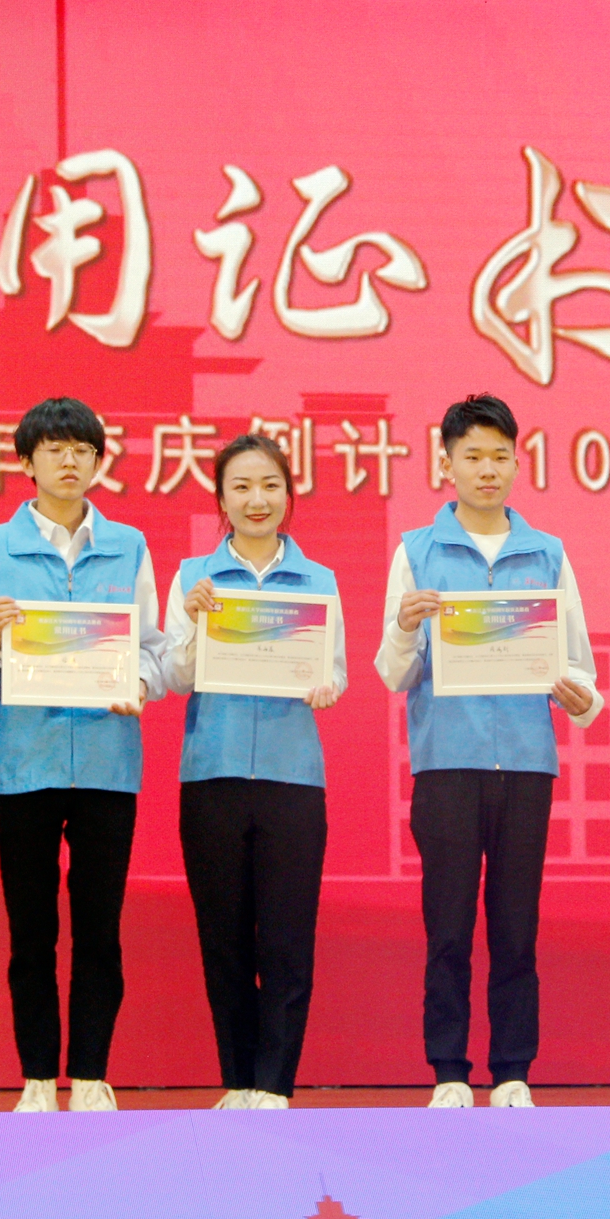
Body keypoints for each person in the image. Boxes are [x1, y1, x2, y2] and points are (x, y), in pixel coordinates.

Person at [376, 393, 603, 1108]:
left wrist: (579, 697)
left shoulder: (548, 553)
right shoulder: (417, 552)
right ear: (445, 463)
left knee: (515, 927)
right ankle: (449, 1070)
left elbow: (581, 670)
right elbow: (393, 674)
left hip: (526, 766)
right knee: (447, 927)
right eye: (471, 455)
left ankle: (511, 1071)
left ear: (516, 462)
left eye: (500, 456)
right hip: (447, 764)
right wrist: (405, 627)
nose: (487, 469)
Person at [0, 397, 168, 1113]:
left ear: (98, 460)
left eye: (83, 449)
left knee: (100, 930)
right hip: (24, 763)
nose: (70, 461)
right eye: (55, 448)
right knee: (31, 931)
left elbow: (155, 648)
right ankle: (39, 1076)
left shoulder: (129, 545)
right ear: (27, 460)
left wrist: (139, 683)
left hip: (107, 761)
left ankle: (92, 1074)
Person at [162, 434, 346, 1111]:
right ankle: (238, 1080)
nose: (256, 499)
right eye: (240, 487)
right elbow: (173, 676)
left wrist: (324, 687)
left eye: (269, 484)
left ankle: (275, 1083)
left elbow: (335, 671)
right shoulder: (194, 579)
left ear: (288, 494)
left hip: (292, 779)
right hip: (211, 775)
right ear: (221, 498)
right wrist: (191, 622)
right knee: (225, 938)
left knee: (288, 938)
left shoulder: (318, 581)